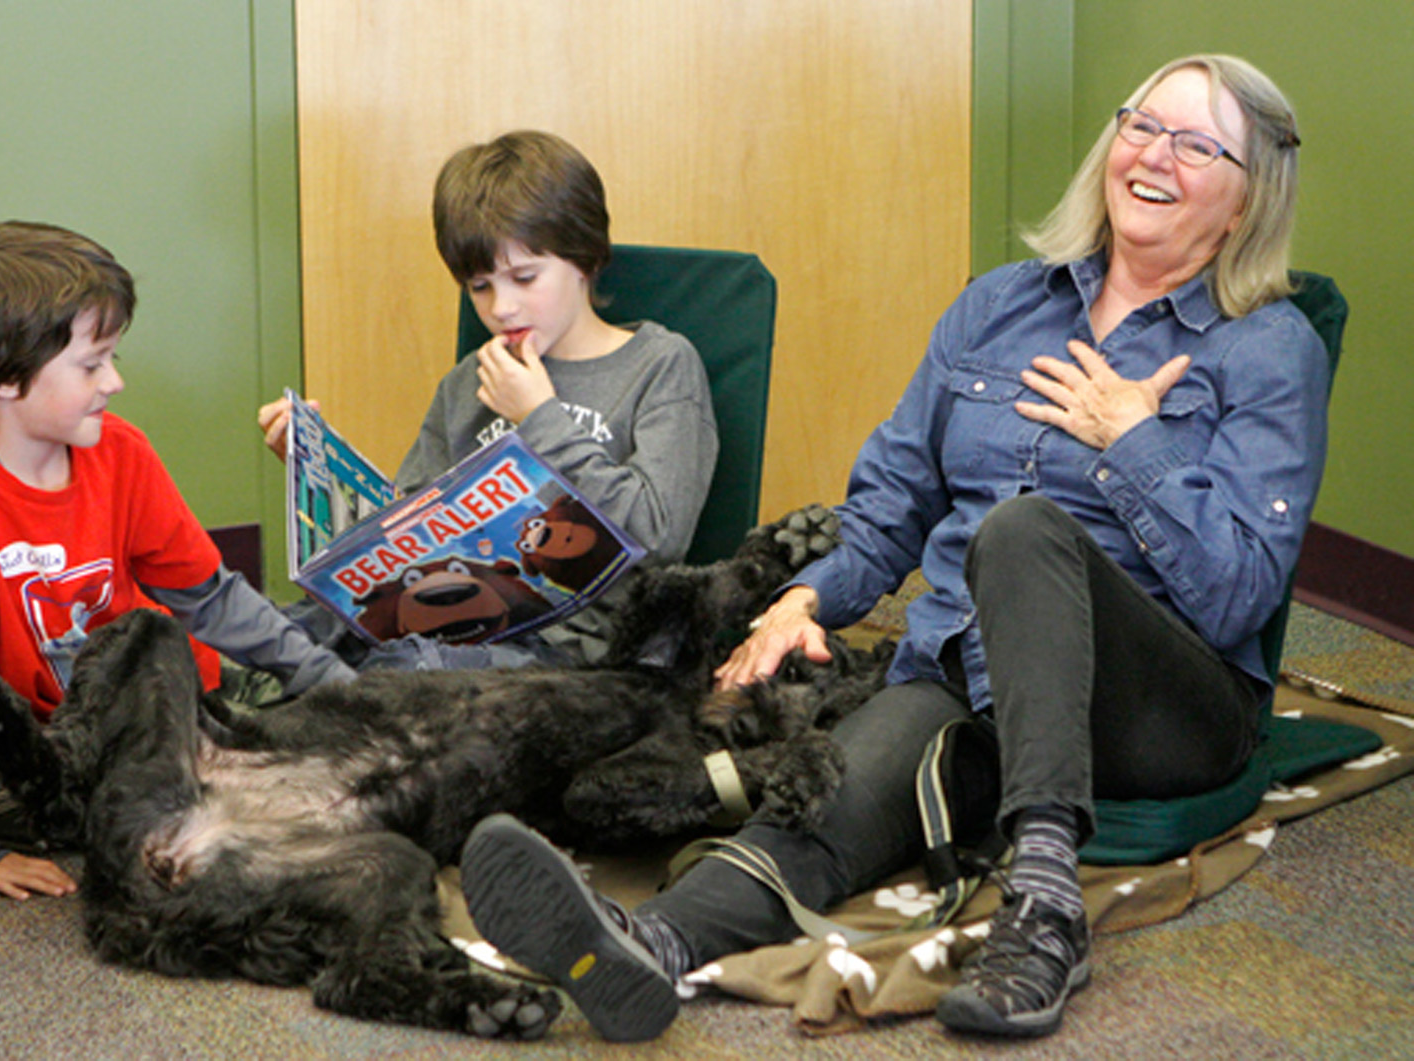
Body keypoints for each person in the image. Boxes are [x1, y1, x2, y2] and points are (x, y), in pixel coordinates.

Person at [459, 54, 1324, 1042]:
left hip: (1161, 702)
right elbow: (891, 503)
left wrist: (1134, 439)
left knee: (1022, 530)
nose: (1154, 154)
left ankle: (1044, 905)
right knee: (831, 786)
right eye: (1141, 126)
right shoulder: (997, 305)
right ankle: (647, 944)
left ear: (1250, 196)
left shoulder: (1267, 346)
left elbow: (1236, 598)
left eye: (1196, 143)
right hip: (968, 667)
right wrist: (809, 598)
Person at [0, 221, 357, 900]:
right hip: (48, 729)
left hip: (157, 697)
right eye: (92, 362)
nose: (116, 380)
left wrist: (331, 679)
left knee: (304, 751)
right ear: (2, 379)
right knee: (105, 818)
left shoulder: (122, 453)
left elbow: (210, 595)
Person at [258, 130, 719, 665]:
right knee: (279, 632)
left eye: (525, 277)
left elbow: (657, 536)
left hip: (581, 649)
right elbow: (403, 533)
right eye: (480, 287)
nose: (502, 307)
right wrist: (318, 470)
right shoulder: (466, 383)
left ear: (585, 259)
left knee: (402, 676)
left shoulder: (660, 365)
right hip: (450, 626)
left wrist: (539, 418)